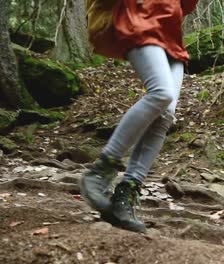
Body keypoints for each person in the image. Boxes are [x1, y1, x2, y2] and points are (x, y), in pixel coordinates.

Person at [80, 0, 199, 233]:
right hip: (140, 17)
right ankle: (99, 172)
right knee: (161, 93)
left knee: (165, 116)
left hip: (170, 30)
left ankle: (124, 196)